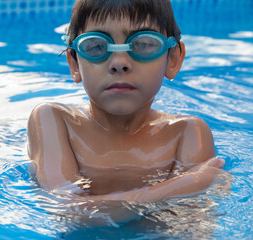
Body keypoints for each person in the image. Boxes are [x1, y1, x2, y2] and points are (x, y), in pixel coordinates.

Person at [27, 0, 226, 205]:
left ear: (173, 60)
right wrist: (182, 186)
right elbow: (67, 208)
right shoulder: (54, 120)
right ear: (74, 63)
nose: (119, 62)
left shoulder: (188, 133)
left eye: (143, 44)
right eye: (96, 46)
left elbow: (189, 226)